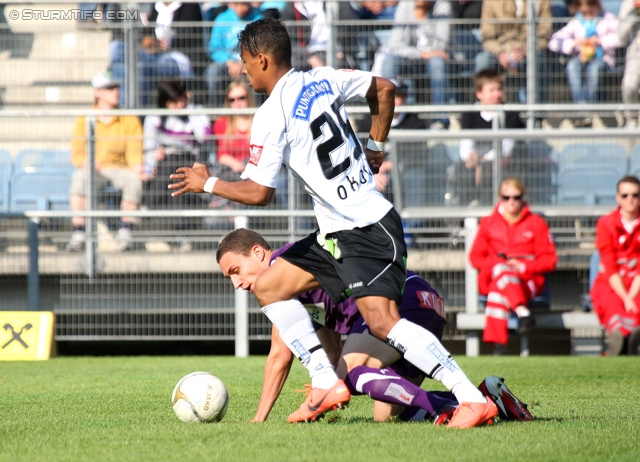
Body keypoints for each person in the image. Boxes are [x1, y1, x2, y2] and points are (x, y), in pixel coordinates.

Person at [169, 18, 497, 428]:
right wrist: (376, 144)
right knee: (269, 284)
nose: (242, 70)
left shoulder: (272, 114)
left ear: (262, 59)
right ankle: (326, 381)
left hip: (366, 228)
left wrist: (208, 183)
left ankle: (470, 398)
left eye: (245, 62)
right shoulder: (323, 78)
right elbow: (384, 88)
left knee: (382, 322)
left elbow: (259, 193)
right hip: (336, 234)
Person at [216, 228, 534, 423]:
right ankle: (485, 399)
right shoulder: (295, 276)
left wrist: (259, 419)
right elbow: (326, 337)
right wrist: (325, 384)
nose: (236, 283)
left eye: (236, 270)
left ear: (258, 252)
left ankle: (456, 409)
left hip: (401, 299)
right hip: (426, 302)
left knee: (351, 376)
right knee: (385, 416)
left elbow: (279, 356)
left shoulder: (280, 271)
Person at [469, 177, 558, 355]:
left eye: (516, 197)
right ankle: (523, 312)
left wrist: (523, 266)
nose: (511, 202)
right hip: (496, 275)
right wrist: (498, 264)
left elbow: (550, 260)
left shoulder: (536, 223)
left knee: (497, 290)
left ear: (523, 198)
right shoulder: (488, 223)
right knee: (501, 269)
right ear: (499, 197)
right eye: (506, 197)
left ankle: (499, 346)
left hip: (527, 281)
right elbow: (475, 257)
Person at [67, 71, 145, 253]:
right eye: (110, 88)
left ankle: (125, 231)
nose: (116, 91)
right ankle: (79, 232)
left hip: (120, 168)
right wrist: (87, 163)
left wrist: (137, 167)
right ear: (97, 92)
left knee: (134, 180)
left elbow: (134, 150)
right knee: (79, 178)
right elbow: (77, 154)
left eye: (116, 87)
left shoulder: (128, 118)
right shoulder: (85, 118)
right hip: (95, 169)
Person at [142, 80, 211, 251]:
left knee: (178, 168)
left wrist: (190, 111)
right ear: (165, 104)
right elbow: (149, 147)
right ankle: (179, 233)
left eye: (181, 99)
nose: (179, 105)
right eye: (174, 103)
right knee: (175, 172)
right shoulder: (156, 117)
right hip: (167, 162)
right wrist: (154, 156)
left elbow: (203, 137)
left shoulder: (197, 112)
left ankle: (148, 206)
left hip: (193, 160)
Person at [371, 0, 453, 128]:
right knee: (390, 61)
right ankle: (386, 115)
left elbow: (441, 45)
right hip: (412, 59)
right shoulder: (405, 5)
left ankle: (440, 120)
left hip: (433, 61)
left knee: (437, 63)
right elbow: (395, 45)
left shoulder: (442, 6)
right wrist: (421, 54)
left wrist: (422, 16)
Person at [455, 69, 525, 207]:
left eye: (499, 89)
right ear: (479, 94)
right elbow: (466, 144)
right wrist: (472, 157)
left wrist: (484, 162)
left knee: (493, 170)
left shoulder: (510, 114)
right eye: (492, 90)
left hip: (503, 165)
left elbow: (506, 148)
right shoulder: (469, 114)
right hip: (477, 164)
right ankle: (466, 212)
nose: (497, 94)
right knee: (461, 169)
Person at [590, 175, 640, 356]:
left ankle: (627, 343)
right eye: (625, 195)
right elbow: (609, 265)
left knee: (636, 303)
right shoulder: (606, 223)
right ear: (618, 198)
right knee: (611, 303)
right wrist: (625, 297)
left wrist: (631, 296)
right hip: (611, 282)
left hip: (636, 282)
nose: (630, 199)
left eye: (635, 195)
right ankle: (621, 341)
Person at [475, 0, 553, 103]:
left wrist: (524, 51)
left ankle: (536, 113)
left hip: (528, 50)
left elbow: (544, 35)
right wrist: (501, 53)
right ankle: (483, 109)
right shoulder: (491, 2)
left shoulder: (542, 1)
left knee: (537, 59)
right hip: (499, 50)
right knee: (483, 59)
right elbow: (487, 36)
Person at [548, 0, 621, 107]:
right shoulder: (576, 22)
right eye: (584, 13)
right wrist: (575, 43)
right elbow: (553, 42)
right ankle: (582, 107)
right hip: (580, 58)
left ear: (597, 5)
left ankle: (592, 106)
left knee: (594, 69)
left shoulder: (608, 19)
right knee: (572, 66)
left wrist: (600, 41)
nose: (587, 15)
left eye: (590, 12)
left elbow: (622, 37)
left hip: (603, 59)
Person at [205, 2, 263, 107]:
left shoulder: (259, 18)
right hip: (227, 63)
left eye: (243, 4)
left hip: (249, 63)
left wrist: (244, 62)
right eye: (236, 4)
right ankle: (215, 112)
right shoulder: (222, 19)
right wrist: (229, 62)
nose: (240, 8)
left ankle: (257, 109)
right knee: (213, 71)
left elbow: (261, 47)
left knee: (258, 73)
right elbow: (214, 48)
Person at [618, 0, 640, 128]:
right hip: (636, 53)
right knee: (629, 85)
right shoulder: (629, 4)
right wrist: (634, 12)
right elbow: (621, 35)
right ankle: (631, 119)